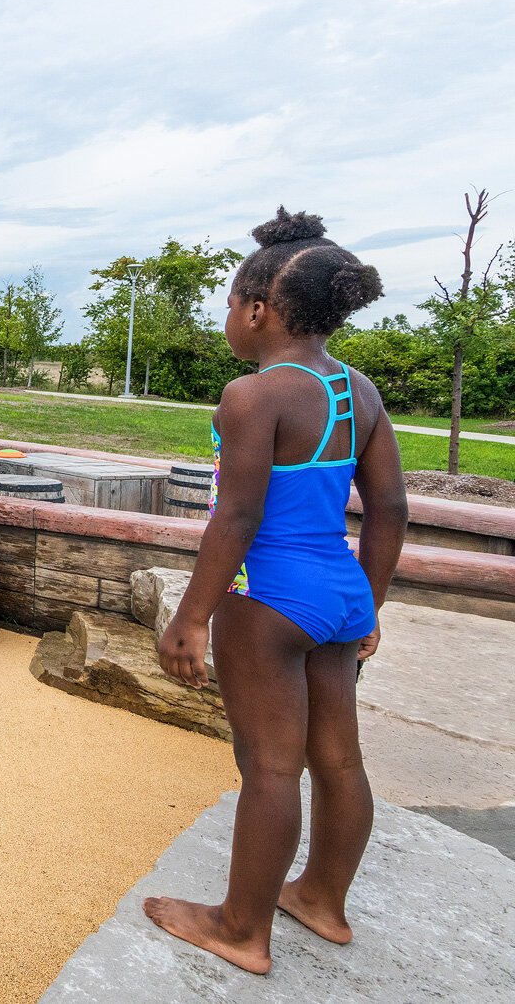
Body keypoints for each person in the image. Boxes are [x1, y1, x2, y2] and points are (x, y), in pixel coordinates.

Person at [144, 208, 408, 975]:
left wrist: (192, 616)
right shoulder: (359, 392)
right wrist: (371, 604)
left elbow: (238, 513)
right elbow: (388, 507)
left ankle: (239, 928)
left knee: (267, 764)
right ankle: (322, 900)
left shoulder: (253, 396)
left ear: (258, 311)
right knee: (339, 761)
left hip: (269, 600)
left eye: (230, 303)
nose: (228, 317)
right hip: (341, 591)